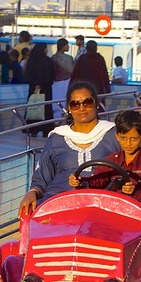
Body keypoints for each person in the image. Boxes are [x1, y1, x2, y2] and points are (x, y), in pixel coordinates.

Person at [18, 82, 121, 216]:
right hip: (58, 205)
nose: (82, 108)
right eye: (75, 104)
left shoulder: (115, 134)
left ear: (96, 103)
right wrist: (32, 193)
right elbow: (42, 178)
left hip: (102, 206)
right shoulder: (57, 137)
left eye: (87, 102)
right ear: (69, 108)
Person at [68, 110, 141, 210]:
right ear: (117, 137)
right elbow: (98, 181)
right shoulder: (112, 159)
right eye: (123, 138)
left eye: (133, 139)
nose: (128, 143)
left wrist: (133, 192)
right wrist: (81, 181)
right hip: (114, 209)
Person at [24, 43, 55, 137]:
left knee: (33, 107)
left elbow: (27, 75)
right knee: (46, 109)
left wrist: (36, 84)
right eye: (46, 48)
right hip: (46, 88)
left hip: (33, 88)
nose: (47, 50)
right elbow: (51, 75)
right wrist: (42, 84)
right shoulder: (48, 61)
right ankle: (46, 130)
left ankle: (33, 130)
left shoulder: (31, 61)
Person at [51, 38, 74, 119]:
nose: (68, 47)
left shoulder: (53, 57)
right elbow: (72, 70)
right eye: (67, 45)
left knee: (55, 101)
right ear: (63, 46)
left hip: (55, 83)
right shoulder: (69, 58)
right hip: (66, 81)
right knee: (64, 100)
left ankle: (56, 118)